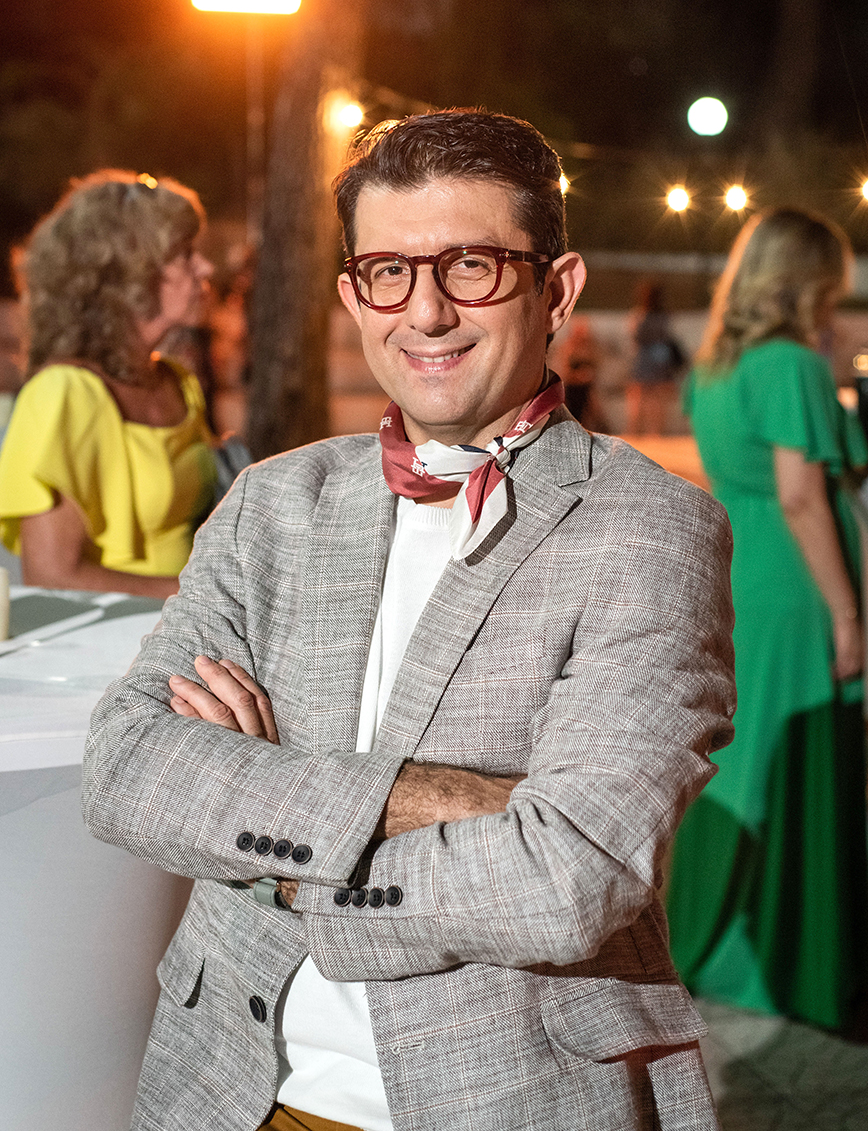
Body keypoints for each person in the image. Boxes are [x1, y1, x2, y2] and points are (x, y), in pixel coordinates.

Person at [82, 110, 736, 1131]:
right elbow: (126, 768)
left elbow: (570, 877)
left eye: (471, 266)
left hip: (508, 1096)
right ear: (353, 294)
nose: (425, 312)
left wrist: (274, 849)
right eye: (388, 271)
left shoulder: (651, 528)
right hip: (226, 1087)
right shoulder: (271, 502)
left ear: (558, 290)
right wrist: (429, 795)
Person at [666, 207, 868, 1033]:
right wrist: (847, 612)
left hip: (742, 572)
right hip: (796, 586)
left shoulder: (718, 365)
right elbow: (801, 496)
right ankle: (795, 962)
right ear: (805, 279)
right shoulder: (789, 364)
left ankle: (714, 941)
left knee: (744, 763)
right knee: (803, 763)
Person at [0, 170, 216, 598]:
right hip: (121, 633)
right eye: (185, 253)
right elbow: (52, 576)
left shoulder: (178, 381)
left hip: (197, 623)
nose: (205, 267)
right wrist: (200, 596)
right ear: (132, 272)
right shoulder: (64, 393)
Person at [624, 281, 685, 435]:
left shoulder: (639, 315)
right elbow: (667, 336)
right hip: (660, 359)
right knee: (657, 398)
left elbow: (635, 337)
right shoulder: (665, 316)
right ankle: (655, 432)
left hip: (642, 359)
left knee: (638, 396)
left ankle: (634, 431)